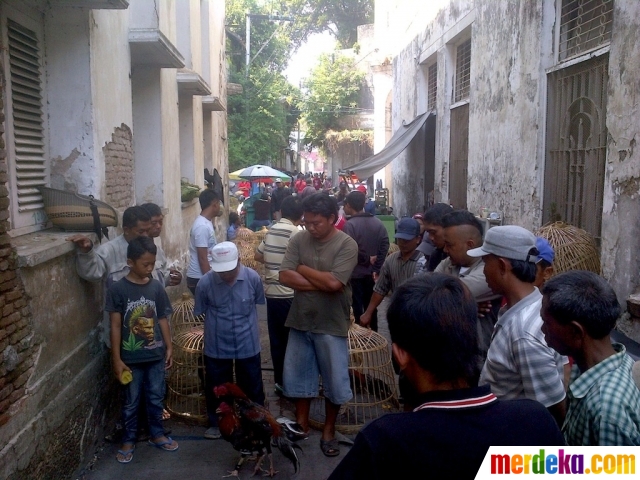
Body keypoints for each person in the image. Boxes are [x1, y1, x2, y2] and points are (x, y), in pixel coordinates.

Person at [328, 274, 565, 480]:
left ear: (400, 355)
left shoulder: (386, 441)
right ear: (473, 339)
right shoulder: (534, 420)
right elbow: (589, 468)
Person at [279, 193, 358, 457]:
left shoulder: (346, 245)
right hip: (301, 319)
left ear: (333, 219)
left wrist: (303, 268)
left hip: (331, 324)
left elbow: (336, 284)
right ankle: (301, 425)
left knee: (335, 383)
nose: (310, 228)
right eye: (306, 222)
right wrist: (322, 282)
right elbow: (284, 275)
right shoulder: (298, 239)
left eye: (316, 223)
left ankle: (328, 430)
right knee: (299, 378)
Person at [467, 225, 567, 427]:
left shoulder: (524, 332)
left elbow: (549, 412)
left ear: (503, 266)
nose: (483, 271)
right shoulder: (531, 306)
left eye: (485, 262)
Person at [540, 270, 640, 445]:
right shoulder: (595, 363)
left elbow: (614, 472)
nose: (542, 330)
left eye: (547, 323)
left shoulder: (606, 412)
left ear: (575, 332)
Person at [106, 236, 177, 463]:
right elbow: (115, 326)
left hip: (155, 356)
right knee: (131, 400)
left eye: (152, 263)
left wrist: (169, 346)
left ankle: (157, 434)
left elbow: (163, 318)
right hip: (130, 359)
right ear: (130, 262)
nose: (150, 268)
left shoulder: (156, 286)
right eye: (145, 264)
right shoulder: (118, 290)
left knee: (156, 397)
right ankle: (129, 439)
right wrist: (116, 359)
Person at [194, 242, 266, 439]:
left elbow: (258, 301)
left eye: (230, 270)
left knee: (251, 385)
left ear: (239, 262)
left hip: (247, 342)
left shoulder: (253, 278)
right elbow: (201, 309)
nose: (225, 275)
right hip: (217, 343)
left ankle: (255, 421)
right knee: (217, 386)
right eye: (221, 271)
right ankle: (217, 422)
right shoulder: (205, 283)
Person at [69, 206, 166, 347]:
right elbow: (92, 273)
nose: (146, 235)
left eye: (147, 230)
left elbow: (160, 278)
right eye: (141, 231)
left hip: (152, 329)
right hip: (123, 333)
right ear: (126, 229)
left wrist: (170, 277)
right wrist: (87, 252)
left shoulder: (152, 248)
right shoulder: (109, 251)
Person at [435, 210, 501, 359]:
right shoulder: (450, 263)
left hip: (477, 357)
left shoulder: (488, 272)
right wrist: (466, 307)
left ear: (469, 245)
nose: (445, 250)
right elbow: (426, 291)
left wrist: (455, 303)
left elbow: (435, 298)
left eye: (449, 245)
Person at [255, 196, 303, 393]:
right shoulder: (297, 233)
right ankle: (294, 384)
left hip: (272, 295)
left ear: (281, 212)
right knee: (294, 341)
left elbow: (258, 255)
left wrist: (273, 263)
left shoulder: (271, 229)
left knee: (276, 341)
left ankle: (279, 382)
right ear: (300, 215)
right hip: (290, 294)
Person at [359, 218, 425, 330]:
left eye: (407, 240)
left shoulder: (423, 260)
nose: (403, 243)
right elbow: (380, 289)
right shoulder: (391, 260)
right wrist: (368, 312)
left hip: (419, 316)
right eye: (400, 239)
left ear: (418, 239)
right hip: (397, 314)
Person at [343, 191, 389, 331]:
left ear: (349, 205)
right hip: (371, 275)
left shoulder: (349, 226)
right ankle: (373, 337)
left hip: (355, 275)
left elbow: (349, 251)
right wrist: (377, 267)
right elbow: (385, 244)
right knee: (371, 308)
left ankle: (358, 341)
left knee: (356, 309)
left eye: (345, 205)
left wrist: (365, 261)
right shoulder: (378, 223)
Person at [186, 189, 221, 295]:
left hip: (202, 276)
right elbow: (202, 257)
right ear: (214, 204)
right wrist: (210, 281)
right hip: (199, 277)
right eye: (219, 204)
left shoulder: (206, 223)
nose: (220, 207)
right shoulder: (202, 226)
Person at [141, 203, 182, 289]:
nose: (159, 226)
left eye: (160, 222)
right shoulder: (135, 251)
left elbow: (163, 276)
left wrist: (172, 277)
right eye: (154, 223)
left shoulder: (158, 251)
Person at [420, 203, 453, 270]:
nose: (430, 237)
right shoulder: (436, 255)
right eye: (428, 232)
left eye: (433, 232)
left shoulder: (465, 255)